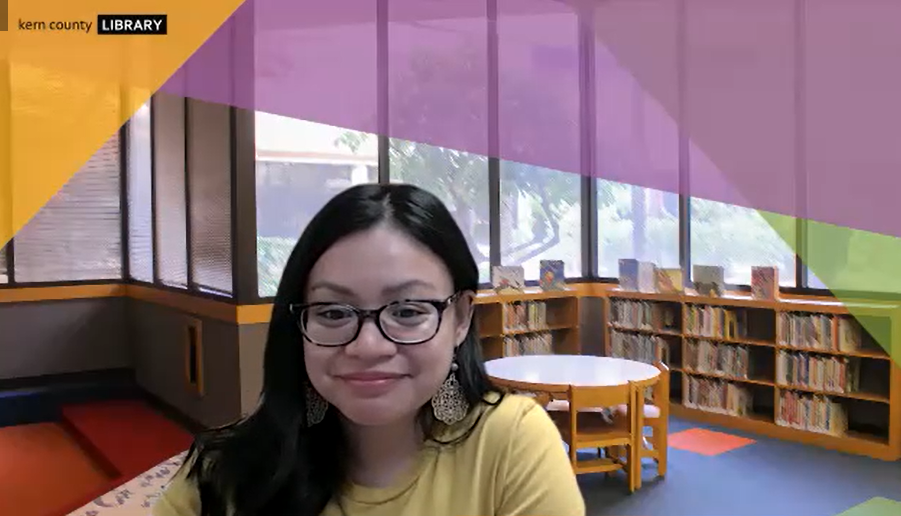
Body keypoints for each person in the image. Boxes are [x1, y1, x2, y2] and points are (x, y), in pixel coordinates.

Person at [152, 183, 585, 516]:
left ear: (460, 319)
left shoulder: (512, 444)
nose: (368, 346)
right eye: (333, 312)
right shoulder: (223, 475)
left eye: (408, 311)